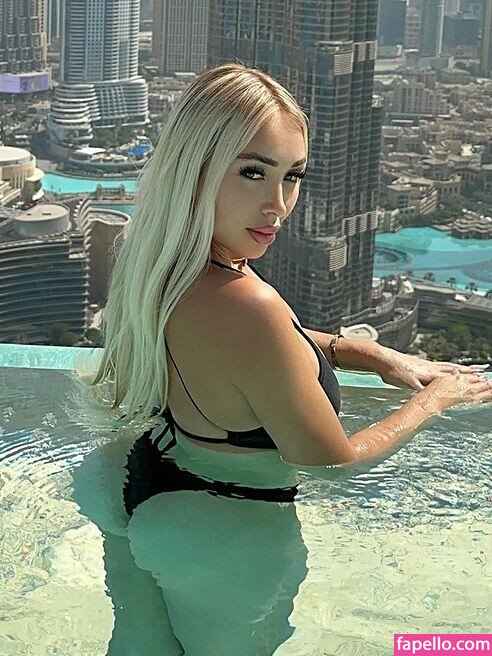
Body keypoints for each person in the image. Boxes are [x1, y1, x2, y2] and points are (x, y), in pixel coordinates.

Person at [82, 62, 492, 655]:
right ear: (195, 169)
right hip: (225, 536)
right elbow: (333, 462)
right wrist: (435, 400)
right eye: (253, 172)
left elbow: (252, 349)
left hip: (138, 482)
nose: (277, 205)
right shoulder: (249, 305)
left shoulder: (162, 263)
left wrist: (363, 350)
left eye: (292, 177)